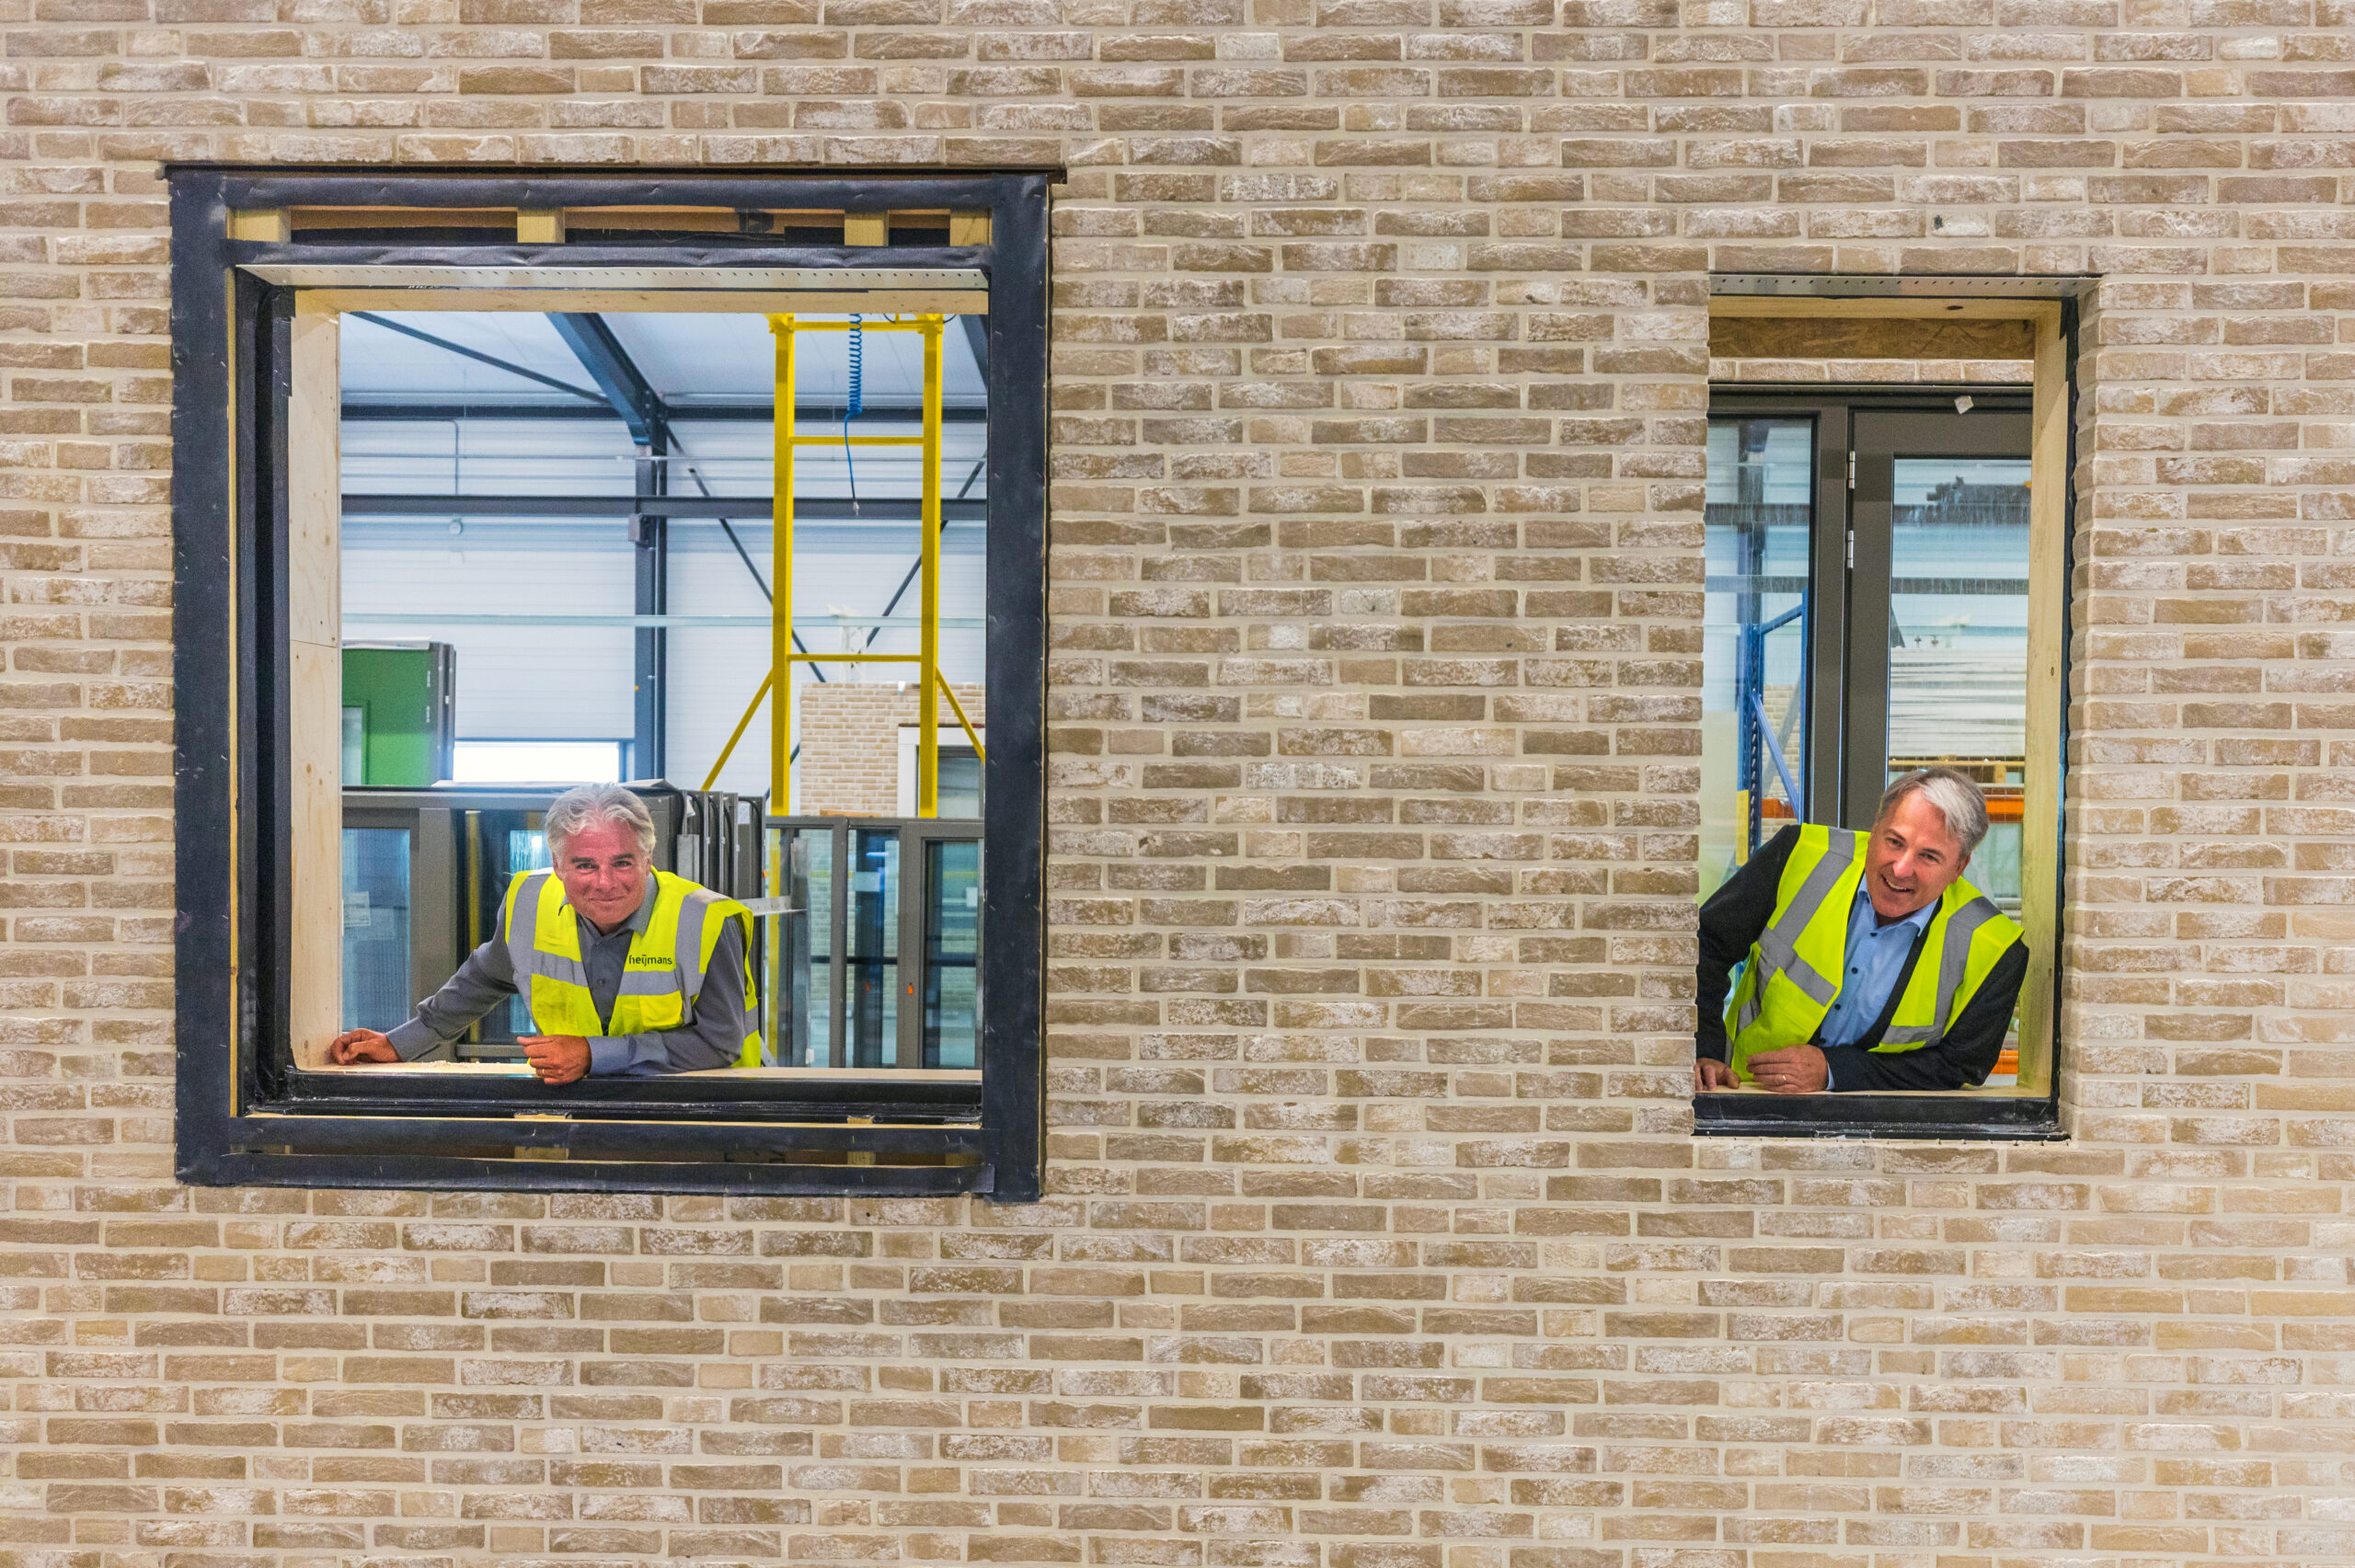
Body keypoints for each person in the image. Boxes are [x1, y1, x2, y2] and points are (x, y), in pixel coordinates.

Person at [330, 784, 761, 1082]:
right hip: (586, 1114)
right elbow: (481, 981)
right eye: (585, 865)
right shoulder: (529, 904)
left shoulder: (706, 921)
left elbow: (719, 1043)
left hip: (707, 1118)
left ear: (648, 858)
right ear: (557, 865)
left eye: (622, 862)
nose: (605, 882)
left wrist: (593, 1055)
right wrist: (400, 1044)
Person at [1694, 766, 2028, 1095]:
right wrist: (1703, 1050)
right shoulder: (1799, 855)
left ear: (1959, 867)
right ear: (1875, 827)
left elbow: (1961, 1065)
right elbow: (1704, 947)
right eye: (1895, 841)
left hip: (1875, 1129)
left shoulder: (1994, 948)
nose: (1901, 869)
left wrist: (1834, 1070)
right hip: (1742, 1096)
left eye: (1928, 856)